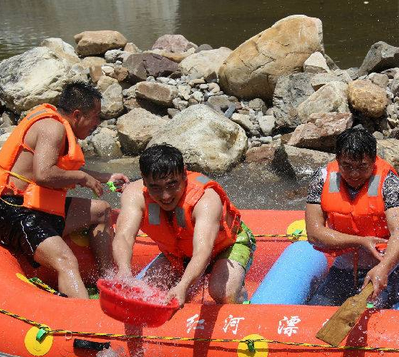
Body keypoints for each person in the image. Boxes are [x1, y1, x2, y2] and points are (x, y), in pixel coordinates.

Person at [0, 81, 129, 298]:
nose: (97, 122)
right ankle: (84, 321)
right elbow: (44, 174)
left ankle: (110, 281)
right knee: (66, 261)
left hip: (38, 208)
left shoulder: (59, 126)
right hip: (13, 210)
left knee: (102, 210)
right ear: (77, 115)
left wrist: (105, 177)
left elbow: (64, 168)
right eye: (95, 115)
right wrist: (82, 177)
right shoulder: (53, 128)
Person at [113, 144, 255, 307]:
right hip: (178, 254)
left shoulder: (206, 199)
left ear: (184, 174)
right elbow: (123, 236)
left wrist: (183, 286)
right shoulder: (133, 195)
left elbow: (203, 250)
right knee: (146, 294)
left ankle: (241, 297)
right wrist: (124, 271)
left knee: (222, 293)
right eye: (155, 187)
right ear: (144, 180)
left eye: (171, 184)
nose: (165, 196)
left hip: (227, 246)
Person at [305, 126, 399, 308]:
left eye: (362, 167)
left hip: (389, 268)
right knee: (317, 309)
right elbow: (314, 234)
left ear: (374, 161)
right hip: (344, 268)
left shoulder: (390, 182)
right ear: (337, 160)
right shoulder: (321, 179)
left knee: (371, 311)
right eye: (347, 166)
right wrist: (361, 241)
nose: (354, 174)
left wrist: (383, 267)